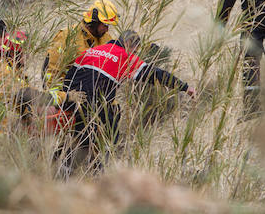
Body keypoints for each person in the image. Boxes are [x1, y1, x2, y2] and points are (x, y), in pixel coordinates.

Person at [58, 30, 195, 175]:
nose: (135, 54)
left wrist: (65, 99)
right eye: (135, 50)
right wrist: (184, 87)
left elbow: (69, 76)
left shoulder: (93, 51)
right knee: (110, 137)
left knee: (79, 137)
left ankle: (60, 171)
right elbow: (155, 74)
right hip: (95, 106)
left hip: (72, 100)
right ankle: (99, 174)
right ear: (128, 44)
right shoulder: (124, 57)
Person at [43, 0, 118, 92]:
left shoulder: (106, 38)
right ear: (94, 21)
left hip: (92, 94)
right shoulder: (67, 36)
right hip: (67, 92)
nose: (107, 29)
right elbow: (52, 69)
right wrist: (58, 98)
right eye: (105, 25)